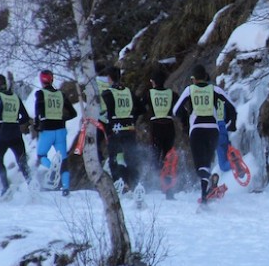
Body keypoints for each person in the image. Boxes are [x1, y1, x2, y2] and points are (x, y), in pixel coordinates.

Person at [173, 64, 237, 206]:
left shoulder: (190, 90)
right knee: (207, 162)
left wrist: (185, 121)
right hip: (213, 130)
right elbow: (232, 106)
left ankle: (205, 191)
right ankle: (207, 192)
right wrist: (231, 123)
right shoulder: (215, 89)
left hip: (196, 129)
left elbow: (176, 109)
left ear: (194, 79)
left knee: (200, 166)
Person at [101, 67, 144, 193]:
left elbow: (105, 112)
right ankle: (135, 184)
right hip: (129, 129)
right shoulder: (129, 92)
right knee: (130, 157)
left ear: (109, 78)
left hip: (115, 131)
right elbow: (141, 108)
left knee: (116, 158)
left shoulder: (108, 93)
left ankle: (121, 184)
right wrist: (132, 118)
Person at [34, 69, 77, 196]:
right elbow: (73, 113)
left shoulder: (40, 94)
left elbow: (38, 112)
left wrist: (37, 125)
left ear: (41, 80)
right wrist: (63, 119)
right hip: (61, 130)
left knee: (41, 155)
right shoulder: (61, 94)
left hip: (47, 129)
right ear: (52, 79)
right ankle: (65, 188)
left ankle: (53, 168)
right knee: (64, 160)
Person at [0, 74, 32, 198]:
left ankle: (5, 187)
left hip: (3, 132)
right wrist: (15, 121)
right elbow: (25, 117)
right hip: (16, 132)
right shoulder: (15, 97)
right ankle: (32, 185)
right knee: (22, 162)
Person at [143, 67, 179, 198]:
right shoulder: (172, 94)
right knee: (168, 158)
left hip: (156, 126)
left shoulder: (149, 94)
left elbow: (141, 107)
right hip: (169, 126)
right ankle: (169, 188)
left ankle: (159, 181)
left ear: (153, 82)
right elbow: (179, 107)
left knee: (155, 157)